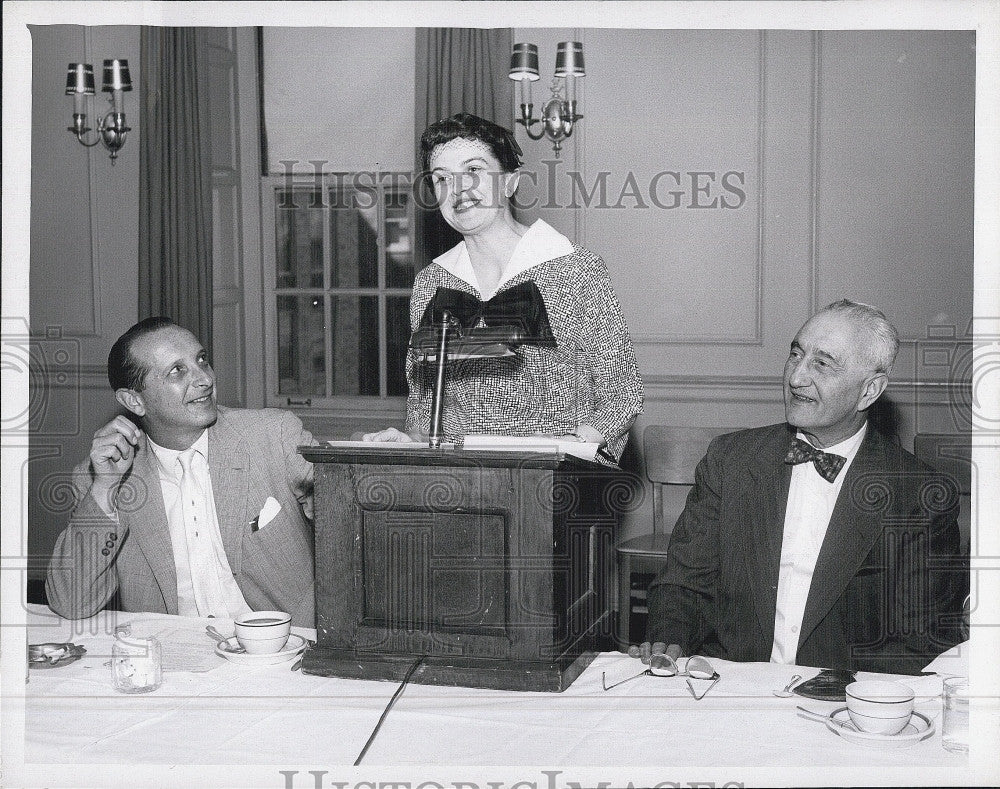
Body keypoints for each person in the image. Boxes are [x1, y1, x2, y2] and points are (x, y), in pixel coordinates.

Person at [643, 300, 967, 675]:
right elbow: (684, 584)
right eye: (795, 355)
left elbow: (917, 639)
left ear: (870, 391)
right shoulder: (730, 460)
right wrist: (670, 636)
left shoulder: (919, 494)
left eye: (822, 364)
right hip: (726, 687)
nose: (796, 377)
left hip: (843, 702)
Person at [364, 113, 643, 463]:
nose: (458, 190)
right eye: (441, 178)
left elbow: (623, 394)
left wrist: (568, 449)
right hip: (455, 482)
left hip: (556, 487)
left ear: (510, 183)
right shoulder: (431, 283)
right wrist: (411, 440)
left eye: (474, 171)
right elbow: (424, 408)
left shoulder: (576, 269)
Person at [45, 317, 317, 627]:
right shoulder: (105, 476)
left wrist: (376, 457)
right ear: (134, 400)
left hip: (284, 649)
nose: (204, 379)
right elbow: (71, 602)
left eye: (201, 360)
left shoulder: (273, 435)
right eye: (178, 370)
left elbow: (346, 495)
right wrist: (104, 488)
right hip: (174, 660)